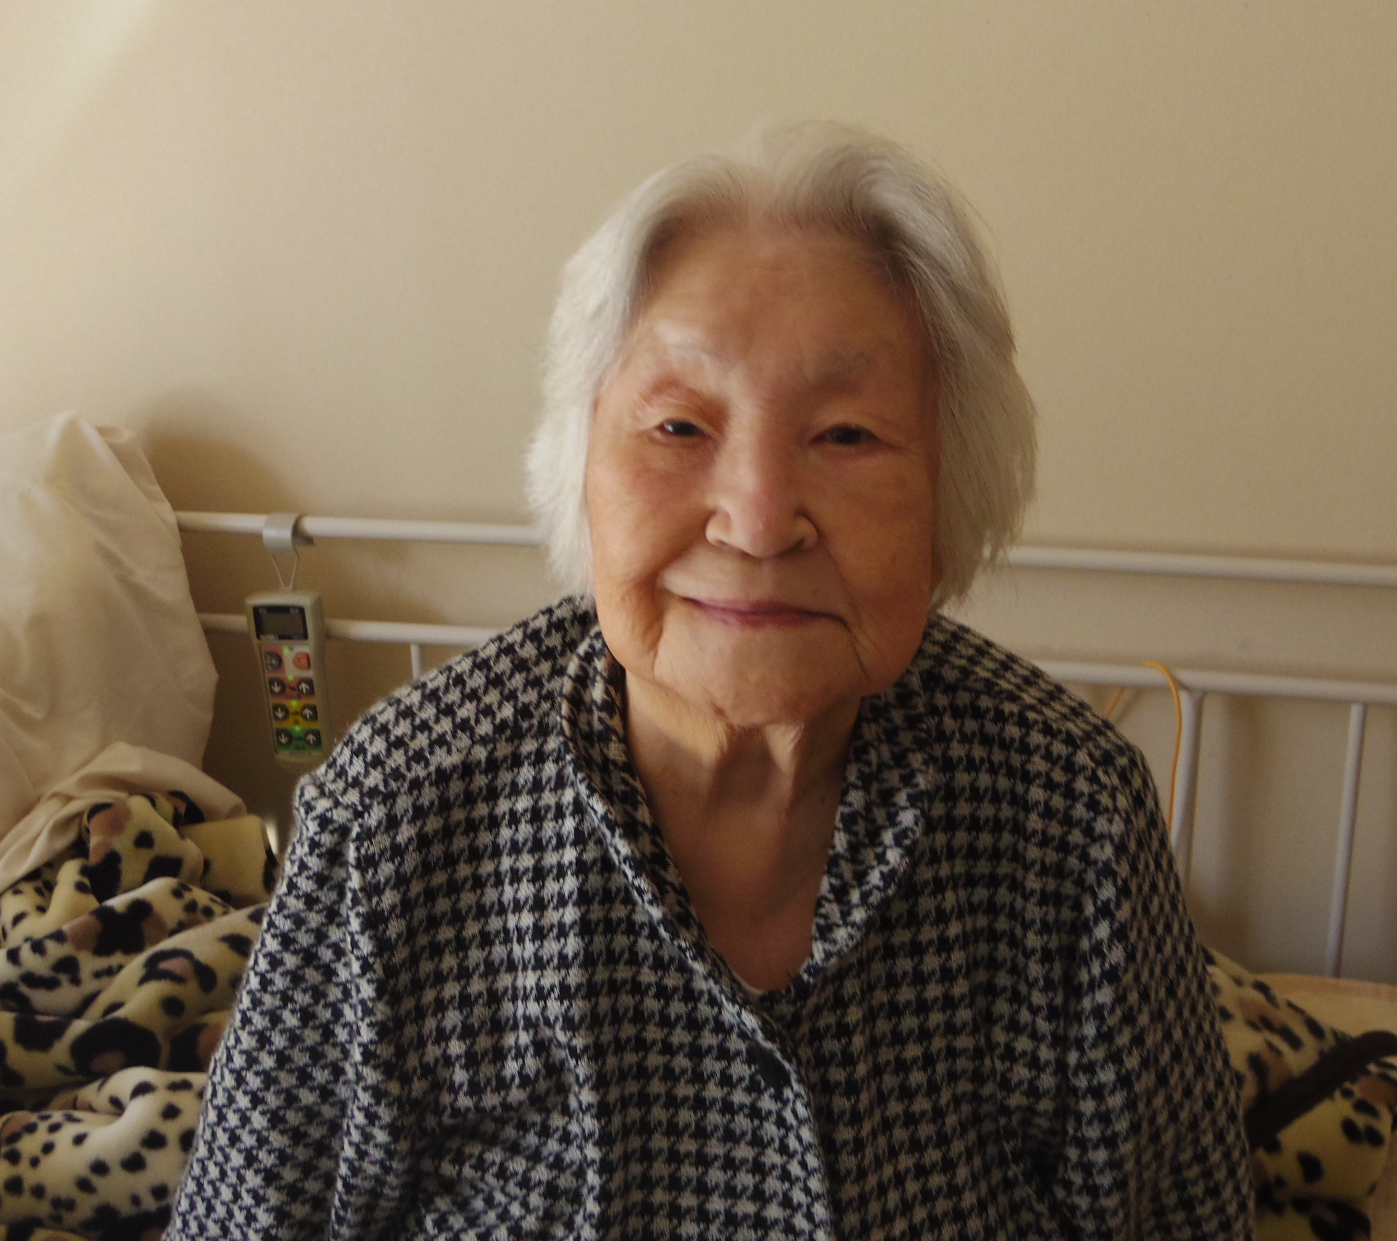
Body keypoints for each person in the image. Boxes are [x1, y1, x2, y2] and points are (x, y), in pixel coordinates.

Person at [168, 125, 1251, 1239]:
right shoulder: (399, 818)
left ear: (950, 498)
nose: (758, 519)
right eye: (679, 425)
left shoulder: (1071, 814)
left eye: (847, 435)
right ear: (580, 470)